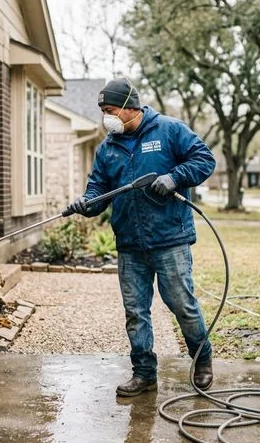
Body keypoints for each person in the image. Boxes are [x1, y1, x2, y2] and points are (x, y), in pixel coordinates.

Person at [66, 77, 216, 397]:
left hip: (170, 239)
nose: (106, 118)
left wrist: (175, 177)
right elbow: (98, 191)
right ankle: (144, 374)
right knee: (136, 312)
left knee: (182, 305)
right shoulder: (108, 147)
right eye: (103, 111)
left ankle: (202, 359)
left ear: (128, 107)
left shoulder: (170, 130)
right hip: (131, 244)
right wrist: (86, 203)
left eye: (109, 110)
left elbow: (204, 160)